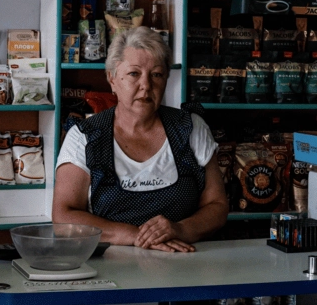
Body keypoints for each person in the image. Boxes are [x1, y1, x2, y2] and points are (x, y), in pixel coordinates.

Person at [53, 27, 228, 253]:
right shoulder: (85, 136)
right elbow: (63, 216)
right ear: (112, 78)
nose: (146, 85)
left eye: (156, 74)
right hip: (111, 266)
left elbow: (218, 206)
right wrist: (135, 236)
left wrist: (179, 229)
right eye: (134, 74)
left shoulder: (190, 127)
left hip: (184, 262)